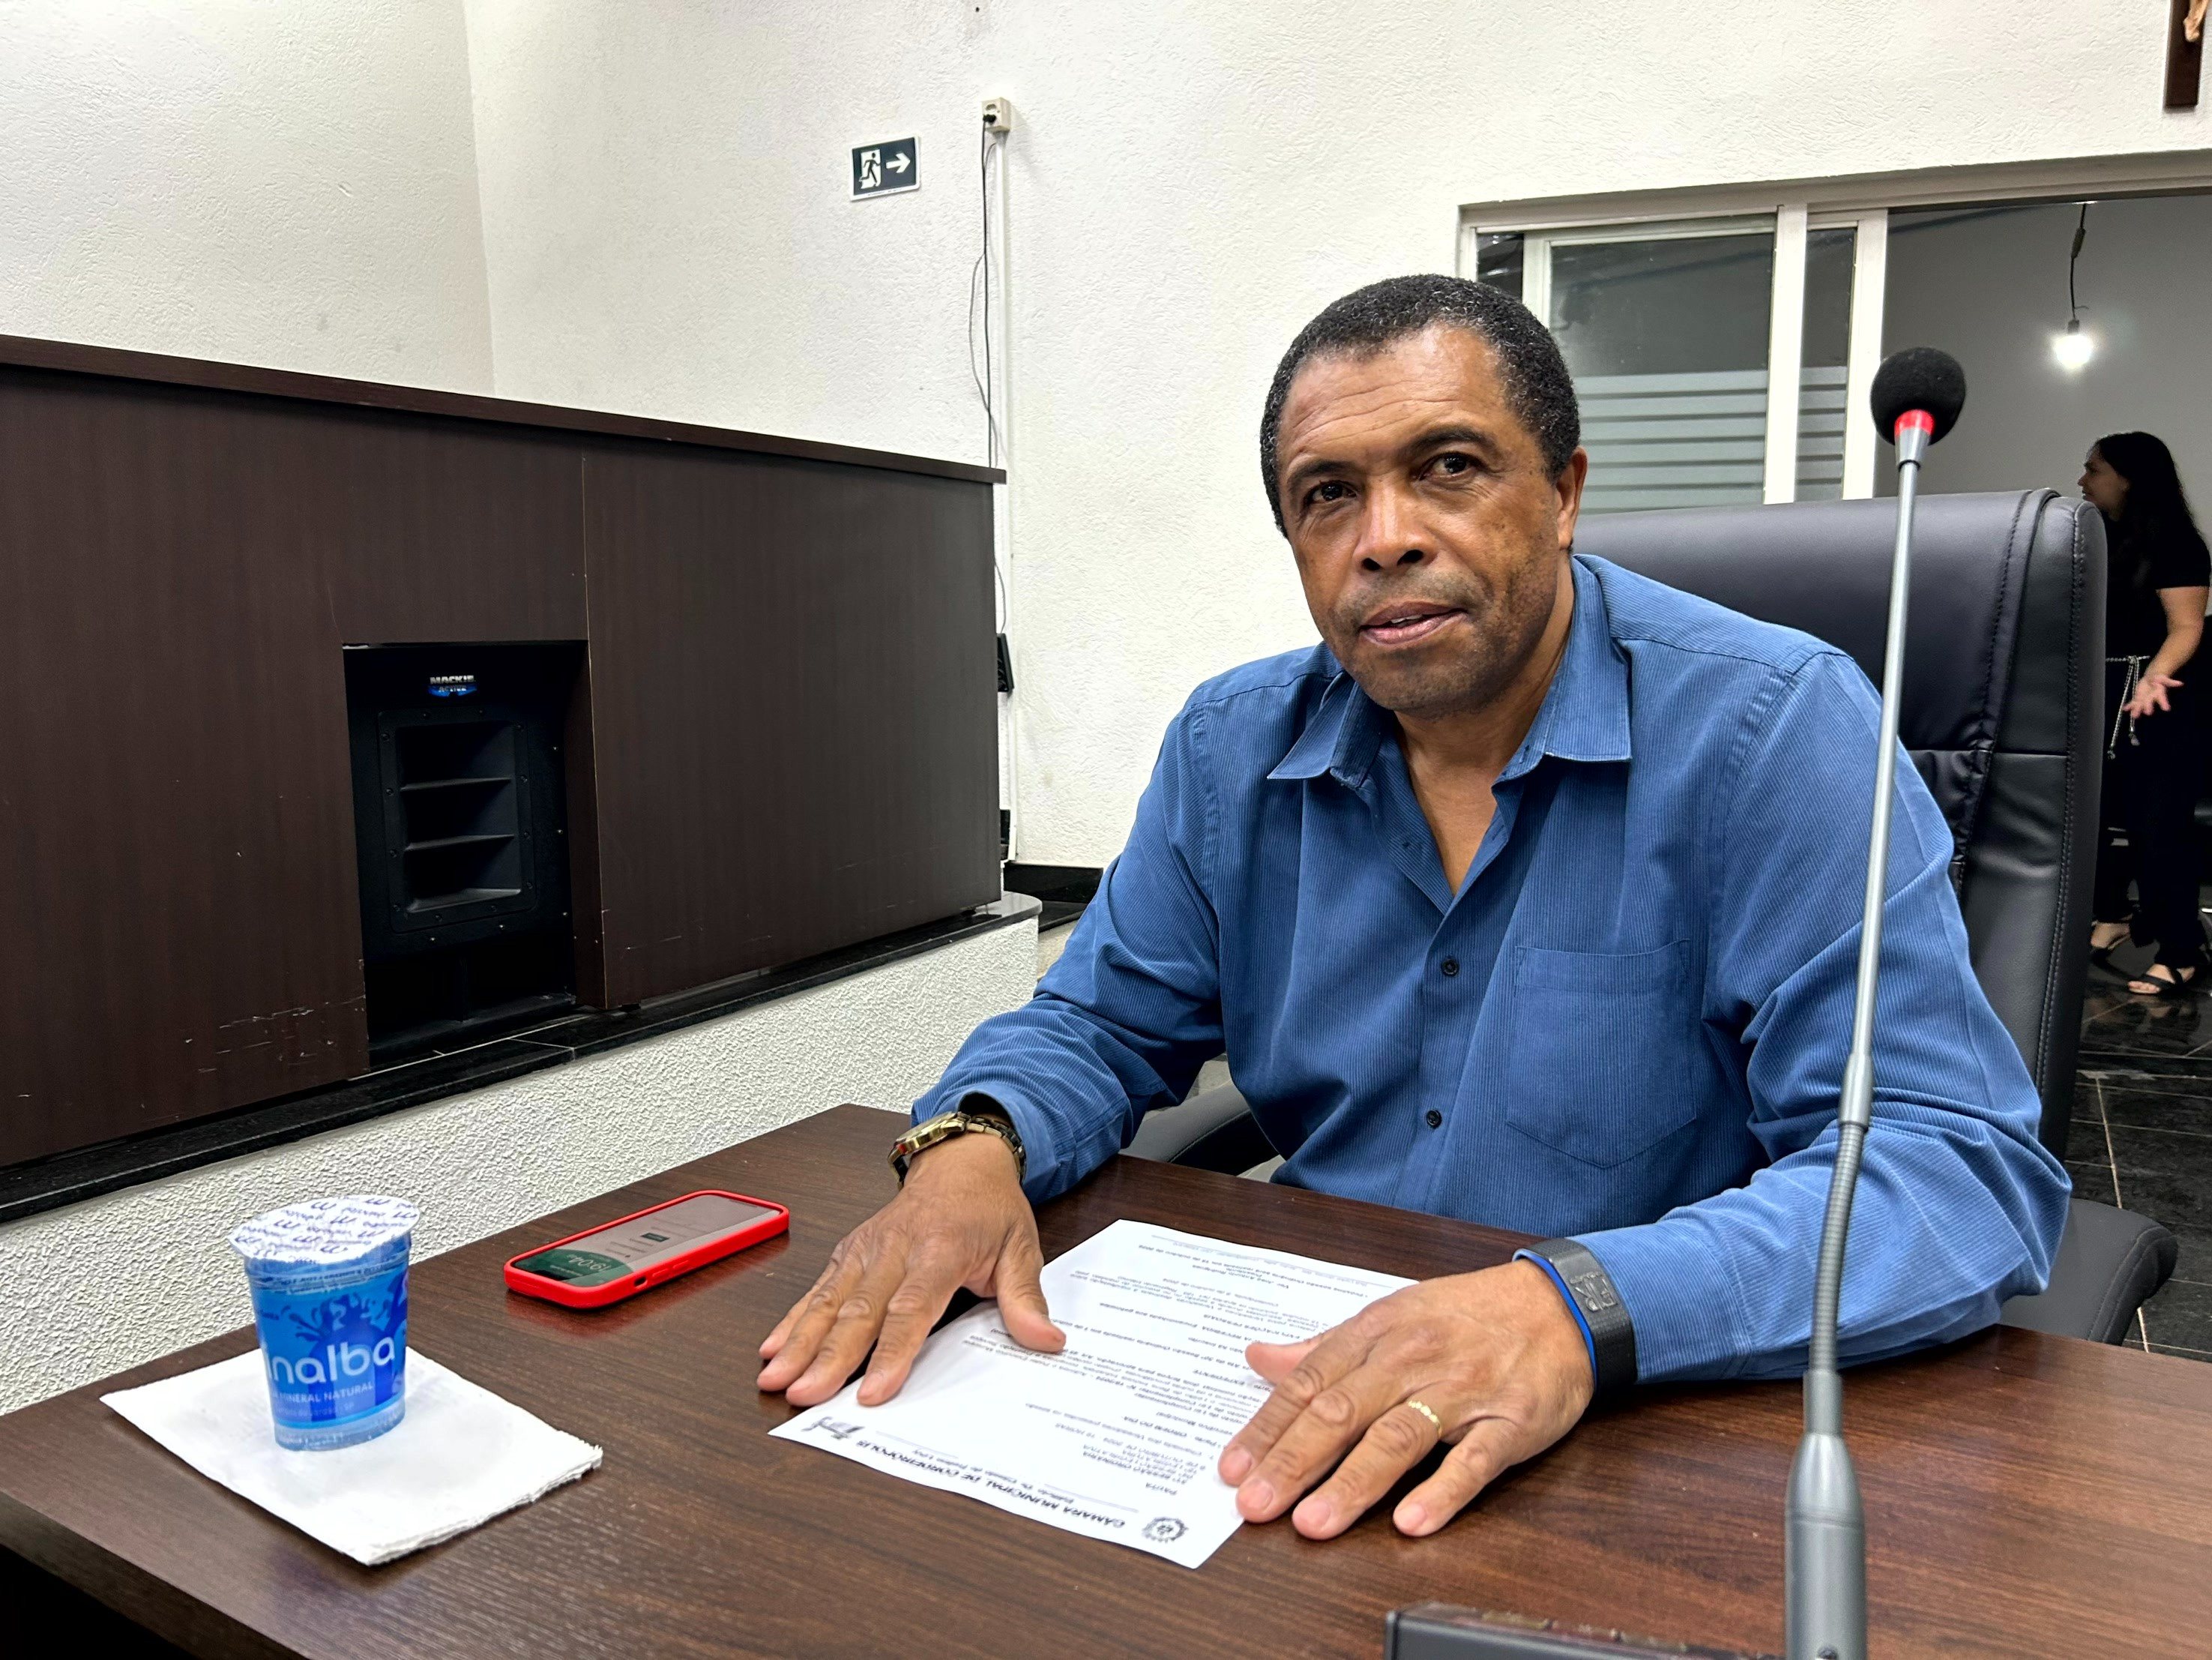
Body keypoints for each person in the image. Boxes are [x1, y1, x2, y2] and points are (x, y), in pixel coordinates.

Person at [759, 276, 2067, 1543]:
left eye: (1447, 466)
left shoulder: (1774, 728)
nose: (1382, 536)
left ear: (1563, 493)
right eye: (1327, 494)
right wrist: (971, 1143)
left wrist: (1568, 1306)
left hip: (1647, 1427)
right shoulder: (1228, 746)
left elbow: (1951, 1173)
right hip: (1298, 1391)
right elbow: (1095, 1025)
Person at [2082, 432, 2212, 996]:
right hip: (2101, 689)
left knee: (2156, 825)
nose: (2083, 480)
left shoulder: (2177, 543)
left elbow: (2186, 627)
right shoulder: (2096, 537)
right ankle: (2113, 916)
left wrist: (2154, 678)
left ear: (2128, 478)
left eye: (2094, 470)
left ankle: (2183, 951)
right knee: (2090, 816)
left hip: (2157, 695)